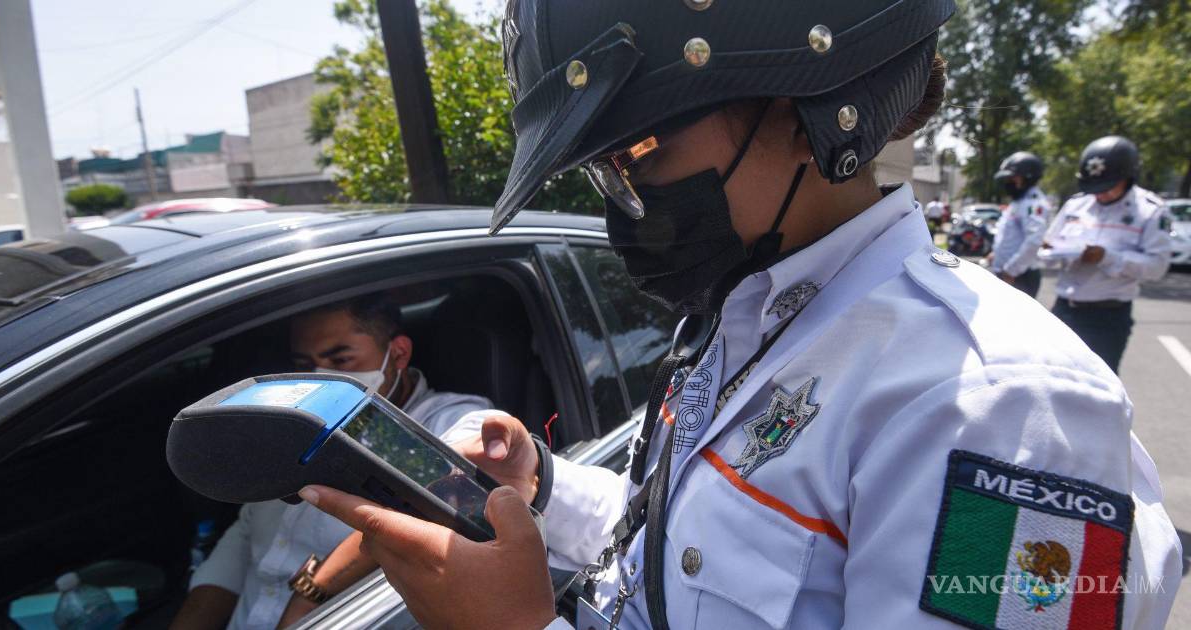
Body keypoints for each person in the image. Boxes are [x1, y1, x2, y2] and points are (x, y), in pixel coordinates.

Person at [302, 3, 1181, 629]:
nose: (624, 201)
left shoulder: (999, 411)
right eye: (602, 171)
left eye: (640, 150)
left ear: (808, 104)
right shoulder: (747, 320)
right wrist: (544, 488)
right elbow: (685, 550)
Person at [170, 294, 492, 630]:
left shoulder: (454, 421)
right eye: (305, 364)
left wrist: (311, 595)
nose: (321, 376)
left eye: (340, 359)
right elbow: (241, 543)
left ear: (398, 353)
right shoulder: (287, 426)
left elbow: (441, 500)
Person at [1041, 136, 1173, 373]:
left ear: (1128, 177)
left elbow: (1157, 267)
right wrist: (1052, 250)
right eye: (1094, 187)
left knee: (1098, 385)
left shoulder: (1150, 211)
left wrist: (1108, 257)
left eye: (1107, 186)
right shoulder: (1077, 205)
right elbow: (1048, 245)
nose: (1099, 194)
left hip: (1107, 317)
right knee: (1053, 377)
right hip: (1064, 309)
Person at [990, 152, 1051, 298]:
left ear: (1028, 177)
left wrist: (1011, 270)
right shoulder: (1019, 201)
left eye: (1013, 178)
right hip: (1009, 274)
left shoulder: (1033, 203)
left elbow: (1034, 240)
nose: (1008, 182)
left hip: (1018, 276)